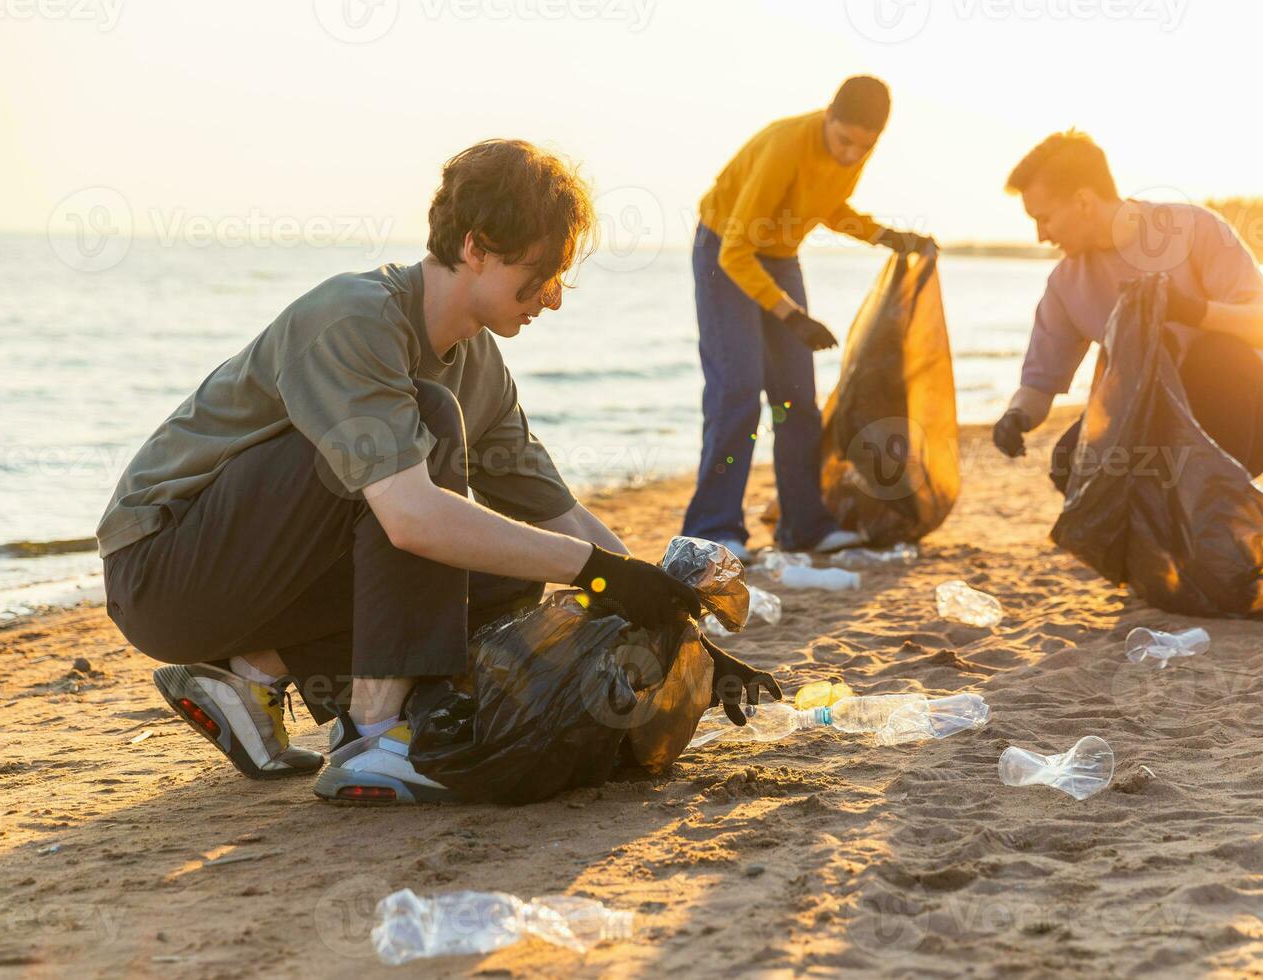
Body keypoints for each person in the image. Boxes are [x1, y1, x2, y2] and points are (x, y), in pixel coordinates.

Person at [98, 140, 770, 805]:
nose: (554, 299)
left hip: (259, 579)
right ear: (476, 247)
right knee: (428, 435)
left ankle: (248, 679)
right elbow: (413, 520)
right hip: (162, 570)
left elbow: (552, 512)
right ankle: (371, 738)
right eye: (538, 274)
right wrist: (597, 571)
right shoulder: (353, 319)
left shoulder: (479, 364)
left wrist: (680, 627)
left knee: (508, 566)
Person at [683, 75, 939, 562]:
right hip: (725, 249)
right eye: (844, 141)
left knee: (797, 399)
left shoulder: (850, 152)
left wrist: (887, 236)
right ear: (828, 115)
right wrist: (792, 316)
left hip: (780, 256)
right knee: (738, 389)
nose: (850, 156)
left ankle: (804, 525)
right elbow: (737, 252)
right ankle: (714, 527)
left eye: (864, 148)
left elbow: (828, 207)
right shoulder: (786, 146)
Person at [991, 130, 1263, 490]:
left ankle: (1221, 505)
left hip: (1254, 411)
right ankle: (1159, 530)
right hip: (1156, 416)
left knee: (1216, 357)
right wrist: (1016, 416)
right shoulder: (1065, 284)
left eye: (1044, 218)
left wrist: (1191, 311)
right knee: (1070, 460)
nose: (1041, 235)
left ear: (1084, 202)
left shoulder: (1195, 229)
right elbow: (1039, 386)